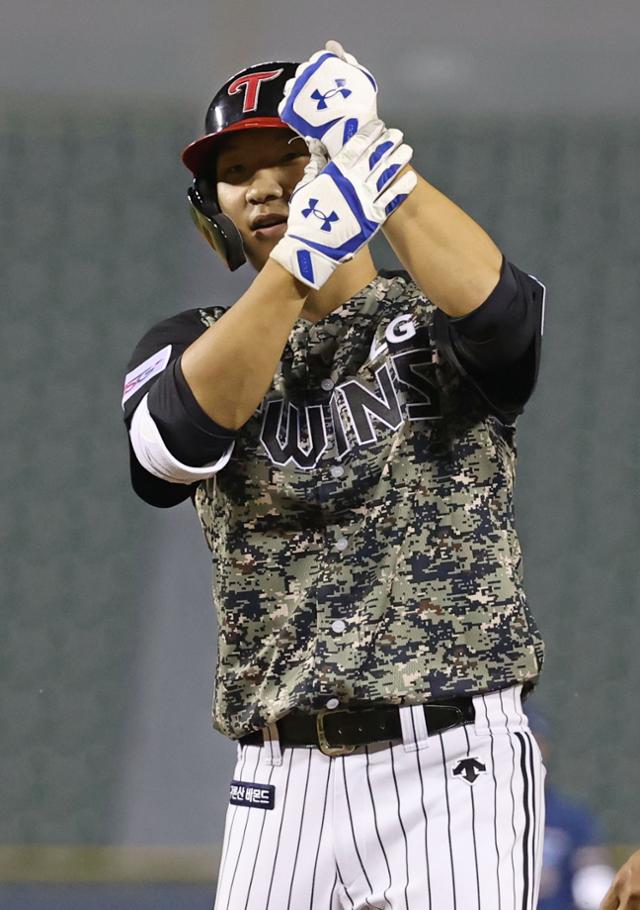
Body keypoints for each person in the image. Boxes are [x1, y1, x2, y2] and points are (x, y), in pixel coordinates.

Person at [122, 40, 548, 909]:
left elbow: (507, 321)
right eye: (236, 172)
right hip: (283, 779)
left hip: (456, 759)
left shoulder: (429, 310)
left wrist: (377, 160)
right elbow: (167, 452)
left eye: (288, 153)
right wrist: (294, 269)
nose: (264, 185)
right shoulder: (188, 339)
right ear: (214, 213)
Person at [526, 708, 615, 910]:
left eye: (536, 742)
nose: (530, 753)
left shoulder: (570, 818)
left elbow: (594, 885)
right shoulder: (478, 817)